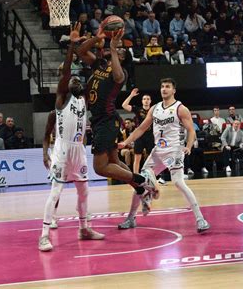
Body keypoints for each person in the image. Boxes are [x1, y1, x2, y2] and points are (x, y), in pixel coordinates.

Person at [76, 22, 158, 216]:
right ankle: (141, 189)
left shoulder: (120, 74)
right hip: (99, 121)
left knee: (100, 167)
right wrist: (98, 37)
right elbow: (80, 50)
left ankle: (142, 179)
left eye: (121, 52)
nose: (119, 51)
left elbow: (119, 76)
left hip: (108, 121)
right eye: (117, 50)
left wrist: (113, 48)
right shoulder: (99, 65)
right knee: (114, 162)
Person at [39, 23, 105, 252]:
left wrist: (97, 45)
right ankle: (44, 235)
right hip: (63, 150)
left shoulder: (83, 98)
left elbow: (94, 69)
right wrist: (71, 46)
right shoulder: (61, 99)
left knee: (84, 191)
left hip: (79, 149)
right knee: (55, 192)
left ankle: (84, 228)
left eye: (78, 79)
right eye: (71, 79)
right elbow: (67, 71)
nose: (75, 79)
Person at [117, 78, 210, 233]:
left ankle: (200, 219)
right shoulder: (155, 108)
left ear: (174, 90)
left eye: (167, 87)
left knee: (179, 183)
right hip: (158, 152)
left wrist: (188, 146)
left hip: (174, 151)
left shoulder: (181, 108)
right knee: (139, 182)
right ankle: (131, 217)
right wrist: (125, 142)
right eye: (162, 87)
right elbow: (140, 128)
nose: (164, 89)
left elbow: (191, 130)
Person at [122, 88, 154, 174]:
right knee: (137, 158)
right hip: (139, 136)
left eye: (148, 99)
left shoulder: (154, 110)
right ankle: (136, 176)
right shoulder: (138, 109)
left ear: (150, 101)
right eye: (144, 99)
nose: (146, 101)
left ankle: (151, 176)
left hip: (151, 136)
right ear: (142, 101)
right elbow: (124, 105)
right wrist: (131, 95)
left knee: (151, 158)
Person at [42, 110, 60, 229]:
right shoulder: (54, 115)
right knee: (56, 187)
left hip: (74, 152)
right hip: (57, 153)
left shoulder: (77, 113)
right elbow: (46, 136)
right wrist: (45, 154)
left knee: (81, 184)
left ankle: (83, 212)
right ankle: (53, 217)